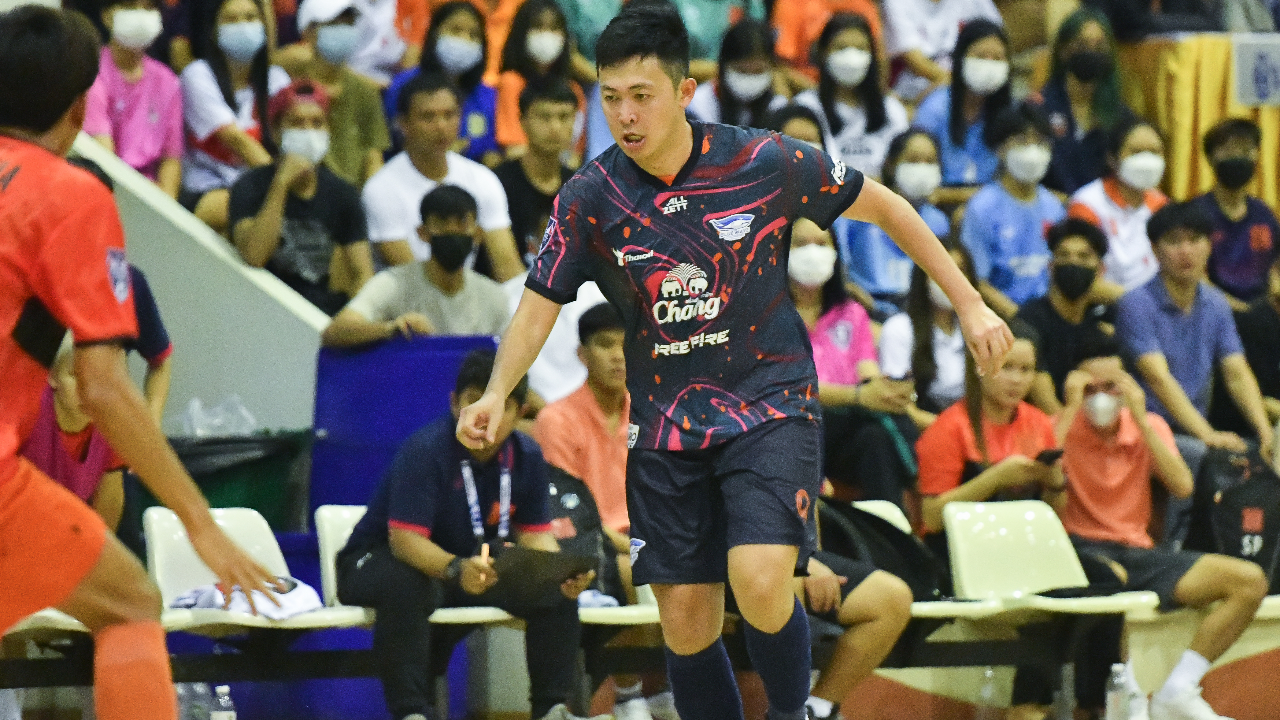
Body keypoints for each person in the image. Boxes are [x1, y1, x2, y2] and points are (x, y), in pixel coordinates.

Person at [455, 5, 1012, 720]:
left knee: (759, 579)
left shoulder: (762, 161)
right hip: (665, 426)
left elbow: (890, 209)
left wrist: (970, 304)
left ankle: (791, 712)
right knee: (686, 619)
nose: (626, 115)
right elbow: (539, 303)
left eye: (642, 96)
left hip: (769, 405)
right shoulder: (591, 197)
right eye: (612, 98)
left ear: (685, 91)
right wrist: (497, 391)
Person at [0, 10, 278, 720]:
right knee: (129, 604)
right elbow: (103, 387)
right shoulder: (69, 193)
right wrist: (198, 521)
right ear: (79, 106)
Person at [337, 350, 603, 720]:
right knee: (407, 583)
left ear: (520, 412)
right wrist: (455, 568)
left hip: (467, 568)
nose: (484, 415)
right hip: (380, 561)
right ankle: (411, 713)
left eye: (502, 405)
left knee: (553, 590)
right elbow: (404, 541)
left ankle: (551, 711)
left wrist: (560, 573)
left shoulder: (527, 455)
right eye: (473, 401)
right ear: (453, 404)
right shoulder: (426, 449)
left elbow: (535, 537)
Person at [1057, 333, 1268, 720]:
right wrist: (1070, 409)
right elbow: (1040, 474)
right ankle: (1119, 700)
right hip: (1079, 552)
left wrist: (1139, 416)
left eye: (1111, 387)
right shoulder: (1060, 426)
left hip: (1141, 553)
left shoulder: (1148, 424)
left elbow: (1182, 485)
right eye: (1091, 388)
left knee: (1249, 581)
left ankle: (1179, 689)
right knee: (1111, 580)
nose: (1101, 397)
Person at [530, 303, 662, 720]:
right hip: (587, 544)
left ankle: (660, 690)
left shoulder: (654, 412)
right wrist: (631, 543)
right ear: (581, 354)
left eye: (626, 345)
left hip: (648, 539)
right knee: (637, 569)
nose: (618, 356)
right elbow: (566, 514)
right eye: (605, 345)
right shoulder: (556, 420)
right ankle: (630, 694)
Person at [1115, 201, 1275, 476]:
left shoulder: (1216, 303)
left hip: (1195, 429)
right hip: (1146, 429)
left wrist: (1265, 433)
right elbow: (1159, 379)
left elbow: (1237, 373)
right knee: (1204, 457)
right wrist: (1208, 435)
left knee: (1264, 453)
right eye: (1174, 241)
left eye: (1195, 240)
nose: (1185, 251)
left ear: (1209, 246)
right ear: (1154, 249)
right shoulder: (1136, 304)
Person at [789, 218, 919, 508]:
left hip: (845, 425)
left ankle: (888, 526)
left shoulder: (851, 312)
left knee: (877, 436)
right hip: (795, 423)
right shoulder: (771, 316)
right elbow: (788, 388)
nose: (813, 252)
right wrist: (860, 396)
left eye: (821, 243)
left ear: (836, 253)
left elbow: (866, 371)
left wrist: (888, 390)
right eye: (801, 244)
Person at [914, 320, 1064, 554]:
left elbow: (1054, 515)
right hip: (962, 550)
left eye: (1026, 370)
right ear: (980, 366)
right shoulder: (949, 427)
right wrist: (996, 479)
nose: (1016, 379)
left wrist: (1056, 485)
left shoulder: (1039, 422)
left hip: (1022, 545)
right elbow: (932, 518)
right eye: (1006, 367)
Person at [229, 79, 375, 315]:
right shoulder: (249, 186)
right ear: (276, 132)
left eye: (317, 123)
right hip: (259, 307)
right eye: (297, 123)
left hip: (316, 312)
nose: (308, 131)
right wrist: (281, 184)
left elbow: (363, 274)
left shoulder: (343, 193)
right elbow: (254, 256)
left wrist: (353, 319)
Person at [364, 72, 521, 279]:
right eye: (428, 117)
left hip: (464, 290)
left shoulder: (482, 179)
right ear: (403, 124)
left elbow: (508, 269)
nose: (441, 126)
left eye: (449, 115)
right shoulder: (381, 188)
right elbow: (412, 276)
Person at [324, 185, 509, 346]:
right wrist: (391, 329)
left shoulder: (494, 297)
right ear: (422, 233)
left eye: (462, 223)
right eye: (441, 223)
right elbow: (334, 332)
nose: (452, 231)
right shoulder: (392, 283)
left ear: (478, 234)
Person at [179, 0, 290, 233]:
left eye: (250, 18)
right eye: (231, 19)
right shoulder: (198, 75)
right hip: (207, 188)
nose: (243, 26)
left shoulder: (277, 79)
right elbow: (238, 142)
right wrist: (284, 188)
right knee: (255, 213)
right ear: (214, 31)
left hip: (260, 188)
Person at [800, 512, 913, 720]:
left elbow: (805, 502)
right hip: (748, 550)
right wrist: (798, 560)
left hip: (794, 550)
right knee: (789, 586)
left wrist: (811, 554)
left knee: (890, 598)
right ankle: (785, 709)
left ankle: (819, 709)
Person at [960, 102, 1066, 319]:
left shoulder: (1054, 207)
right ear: (1000, 149)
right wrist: (1020, 319)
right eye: (1022, 141)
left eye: (1040, 142)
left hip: (1048, 315)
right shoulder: (982, 208)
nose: (1032, 150)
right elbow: (977, 281)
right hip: (1000, 317)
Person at [274, 0, 392, 188]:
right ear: (308, 32)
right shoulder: (288, 87)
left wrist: (372, 194)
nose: (343, 31)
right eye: (333, 24)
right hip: (301, 188)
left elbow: (373, 155)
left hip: (353, 193)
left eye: (348, 24)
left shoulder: (365, 91)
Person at [834, 129, 949, 319]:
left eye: (930, 161)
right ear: (891, 165)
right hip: (865, 310)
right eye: (913, 160)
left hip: (918, 315)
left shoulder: (938, 221)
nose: (922, 168)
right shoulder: (858, 212)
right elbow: (841, 271)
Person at [21, 338, 129, 531]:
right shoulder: (27, 410)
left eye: (98, 378)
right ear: (52, 377)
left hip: (67, 529)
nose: (87, 390)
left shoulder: (113, 425)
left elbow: (109, 503)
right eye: (75, 376)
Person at [1015, 218, 1117, 414]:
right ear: (1051, 267)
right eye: (1064, 255)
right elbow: (1045, 404)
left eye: (1083, 257)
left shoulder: (1104, 319)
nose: (1073, 263)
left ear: (1100, 270)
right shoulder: (1030, 320)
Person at [85, 0, 184, 198]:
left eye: (148, 8)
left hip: (152, 191)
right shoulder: (91, 71)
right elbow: (103, 156)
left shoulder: (167, 80)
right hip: (106, 186)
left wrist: (165, 204)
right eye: (129, 6)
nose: (140, 15)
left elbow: (171, 157)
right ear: (106, 16)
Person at [792, 12, 909, 179]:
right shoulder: (805, 107)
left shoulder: (892, 109)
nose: (851, 57)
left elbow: (899, 166)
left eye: (861, 49)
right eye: (841, 48)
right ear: (823, 52)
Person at [1031, 8, 1134, 196]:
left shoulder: (1121, 117)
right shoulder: (1037, 108)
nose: (1091, 52)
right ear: (1063, 50)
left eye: (1100, 46)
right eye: (1081, 45)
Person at [384, 2, 499, 166]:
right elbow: (392, 140)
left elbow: (491, 153)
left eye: (473, 35)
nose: (464, 40)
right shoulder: (404, 85)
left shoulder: (488, 96)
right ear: (434, 33)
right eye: (455, 30)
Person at [912, 20, 1013, 205]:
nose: (989, 65)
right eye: (981, 56)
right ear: (960, 58)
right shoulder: (934, 108)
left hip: (993, 207)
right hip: (938, 205)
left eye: (998, 58)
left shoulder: (1010, 112)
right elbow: (918, 179)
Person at [879, 241, 977, 425]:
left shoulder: (978, 329)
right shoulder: (899, 329)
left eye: (960, 271)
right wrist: (951, 432)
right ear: (923, 276)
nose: (951, 281)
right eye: (942, 271)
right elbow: (899, 402)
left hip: (972, 426)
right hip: (920, 427)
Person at [1068, 117, 1169, 293]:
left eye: (1154, 152)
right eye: (1136, 152)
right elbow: (1082, 279)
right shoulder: (1087, 204)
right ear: (1112, 159)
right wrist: (1138, 304)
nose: (1147, 161)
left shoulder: (1162, 205)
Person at [1193, 117, 1280, 308]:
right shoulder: (1195, 213)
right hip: (1211, 311)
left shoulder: (1264, 214)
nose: (1238, 157)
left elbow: (1275, 269)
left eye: (1246, 151)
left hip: (1263, 312)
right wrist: (1238, 309)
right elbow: (1193, 278)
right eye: (1229, 150)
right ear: (1210, 158)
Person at [493, 80, 577, 271]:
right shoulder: (498, 183)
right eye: (544, 117)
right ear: (522, 121)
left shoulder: (582, 186)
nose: (555, 127)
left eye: (564, 117)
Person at [494, 0, 587, 162]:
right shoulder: (511, 82)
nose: (546, 35)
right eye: (538, 27)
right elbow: (514, 150)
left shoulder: (574, 90)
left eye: (554, 28)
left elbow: (575, 156)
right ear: (522, 33)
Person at [882, 0, 1003, 104]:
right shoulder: (897, 2)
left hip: (968, 84)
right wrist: (953, 85)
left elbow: (997, 40)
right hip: (913, 90)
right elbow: (916, 62)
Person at [687, 18, 787, 129]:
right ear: (723, 66)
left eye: (758, 71)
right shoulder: (697, 106)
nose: (749, 81)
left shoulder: (778, 108)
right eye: (742, 71)